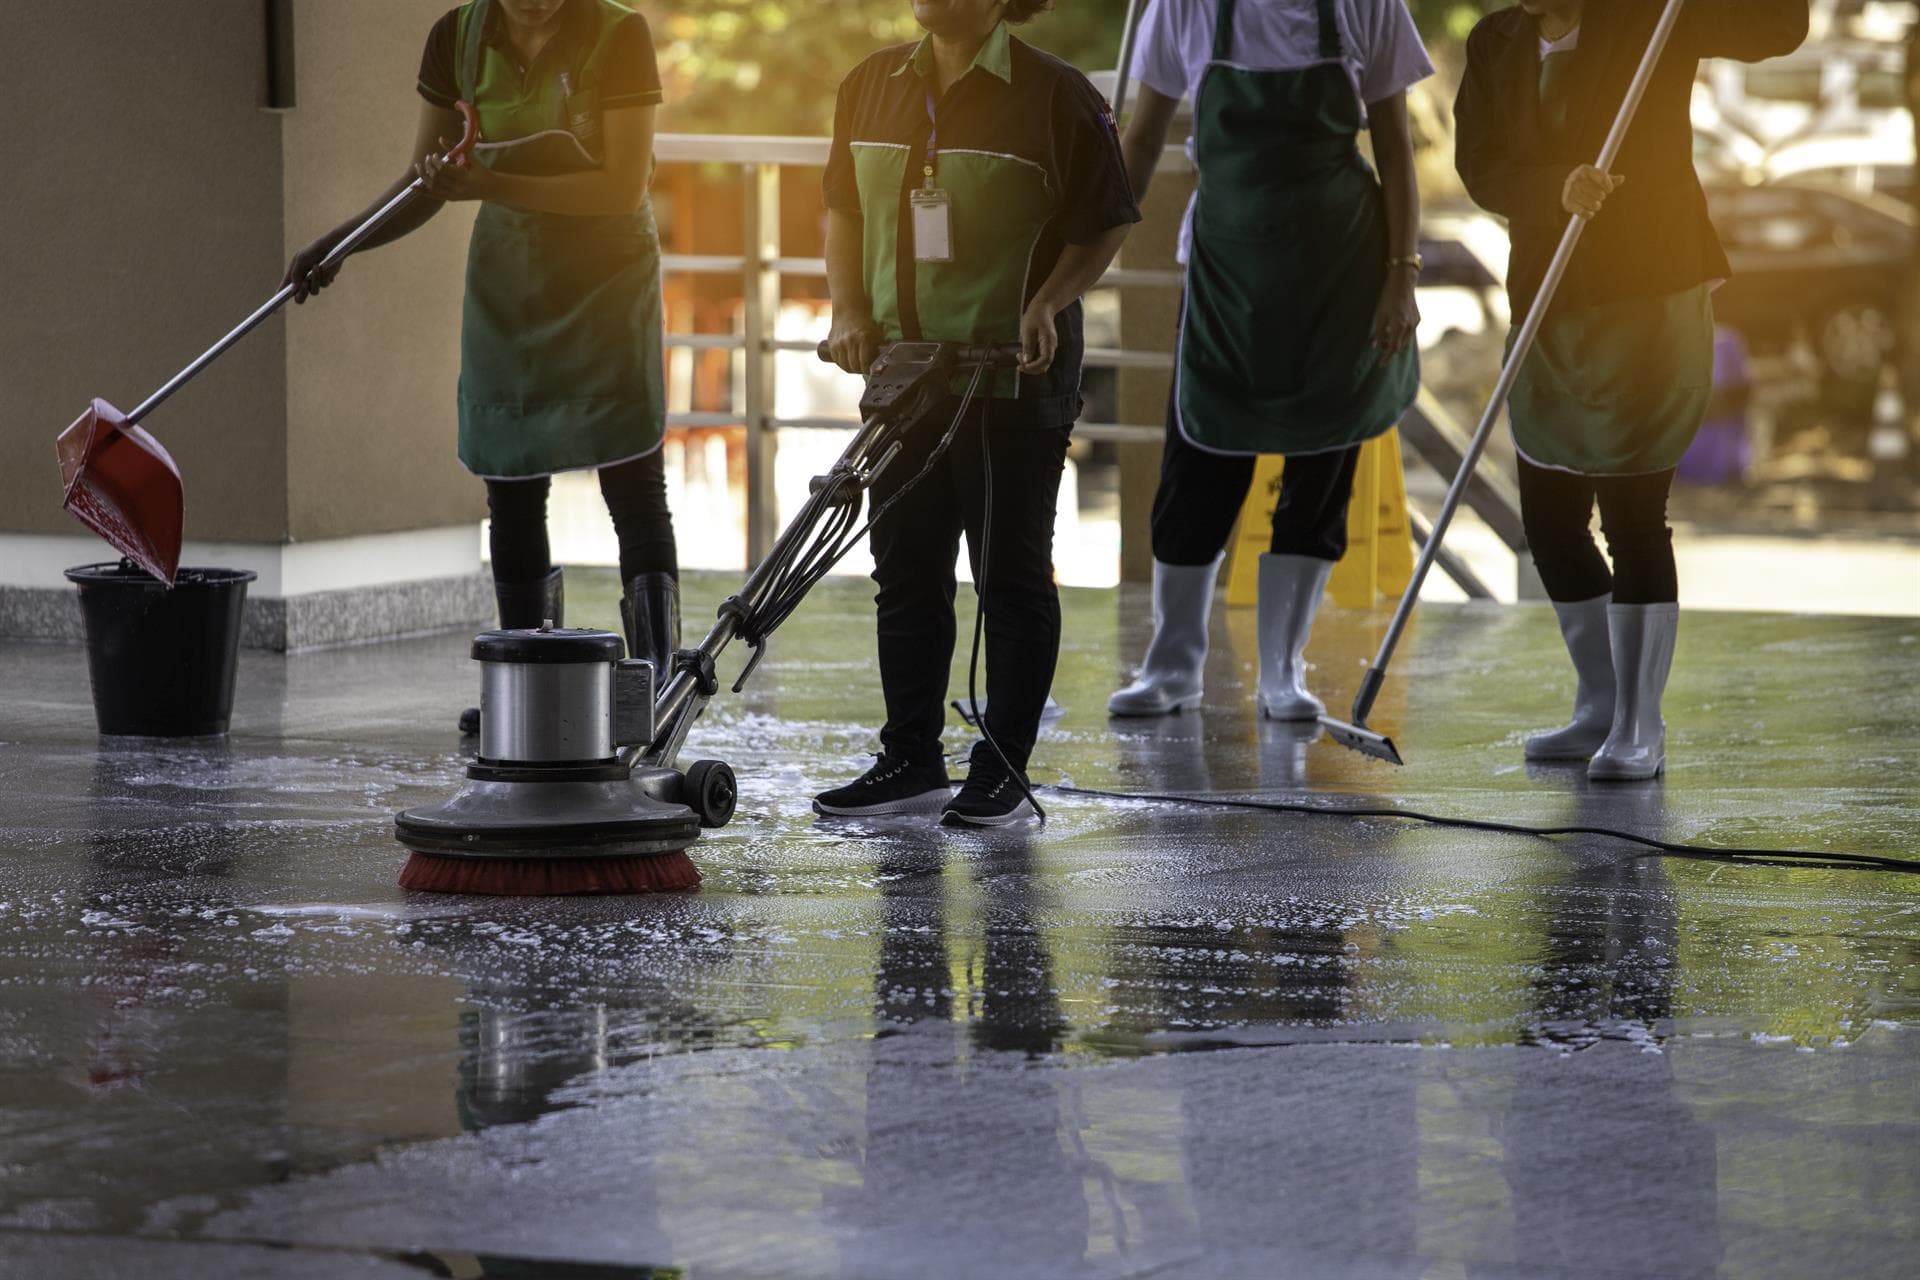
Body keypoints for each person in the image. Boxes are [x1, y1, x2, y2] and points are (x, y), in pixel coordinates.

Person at [283, 0, 680, 730]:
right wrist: (343, 242)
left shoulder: (619, 34)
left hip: (605, 273)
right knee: (513, 479)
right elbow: (425, 181)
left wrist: (490, 183)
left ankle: (657, 691)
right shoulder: (456, 39)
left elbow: (621, 186)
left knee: (631, 476)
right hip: (511, 281)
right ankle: (524, 686)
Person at [1455, 0, 1808, 780]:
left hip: (1648, 291)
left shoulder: (1651, 15)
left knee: (1633, 517)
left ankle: (1640, 727)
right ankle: (1600, 704)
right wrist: (1556, 186)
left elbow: (1778, 29)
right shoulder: (1497, 41)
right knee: (1549, 520)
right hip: (1548, 294)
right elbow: (1481, 163)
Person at [814, 0, 1139, 826]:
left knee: (1011, 577)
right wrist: (847, 308)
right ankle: (909, 758)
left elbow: (1104, 223)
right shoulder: (871, 83)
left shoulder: (1055, 94)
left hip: (1010, 378)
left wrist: (1050, 301)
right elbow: (843, 207)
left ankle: (1001, 767)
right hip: (905, 376)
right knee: (907, 573)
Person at [1107, 0, 1432, 723]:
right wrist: (1082, 246)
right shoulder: (1181, 7)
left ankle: (1283, 670)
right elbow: (1140, 142)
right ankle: (1171, 665)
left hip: (1341, 272)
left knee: (1318, 475)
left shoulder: (1367, 5)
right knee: (1197, 471)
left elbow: (1397, 149)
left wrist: (1401, 274)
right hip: (1227, 276)